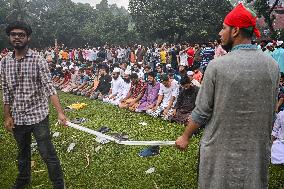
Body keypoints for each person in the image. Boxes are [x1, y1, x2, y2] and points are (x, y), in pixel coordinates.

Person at [175, 4, 279, 189]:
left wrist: (185, 137)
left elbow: (201, 112)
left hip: (220, 152)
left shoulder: (217, 66)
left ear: (236, 30)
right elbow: (272, 110)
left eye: (224, 27)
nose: (220, 32)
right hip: (255, 154)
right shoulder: (272, 65)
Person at [1, 21, 67, 189]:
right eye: (14, 34)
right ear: (9, 37)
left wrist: (60, 113)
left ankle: (59, 184)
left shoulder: (38, 60)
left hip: (38, 117)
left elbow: (49, 88)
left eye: (21, 34)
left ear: (28, 38)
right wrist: (7, 116)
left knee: (47, 154)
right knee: (23, 153)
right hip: (18, 117)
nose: (17, 37)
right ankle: (24, 179)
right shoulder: (4, 62)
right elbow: (6, 91)